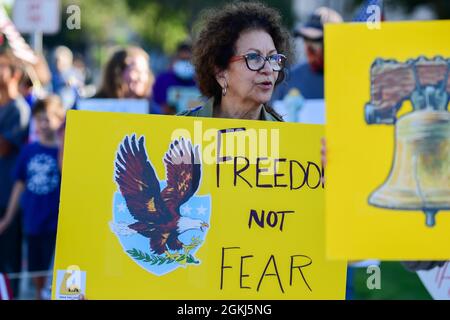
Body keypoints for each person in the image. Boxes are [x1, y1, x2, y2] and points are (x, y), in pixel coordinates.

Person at [179, 1, 291, 122]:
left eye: (273, 58)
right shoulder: (181, 129)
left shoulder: (285, 136)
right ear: (220, 72)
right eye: (254, 57)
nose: (268, 69)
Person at [0, 95, 65, 300]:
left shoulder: (63, 151)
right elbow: (19, 185)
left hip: (56, 224)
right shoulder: (28, 150)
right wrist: (8, 218)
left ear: (59, 119)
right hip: (32, 221)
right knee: (36, 275)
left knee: (53, 274)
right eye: (39, 119)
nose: (43, 124)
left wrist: (63, 148)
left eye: (47, 119)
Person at [0, 50, 29, 298]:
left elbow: (4, 147)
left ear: (15, 74)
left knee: (7, 263)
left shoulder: (18, 109)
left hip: (7, 198)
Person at [272, 7, 342, 103]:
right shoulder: (291, 78)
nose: (309, 47)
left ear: (335, 41)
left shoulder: (352, 78)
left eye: (316, 40)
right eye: (305, 38)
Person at [152, 41, 200, 115]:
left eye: (188, 60)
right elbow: (157, 108)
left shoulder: (200, 82)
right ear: (175, 59)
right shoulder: (162, 81)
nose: (185, 64)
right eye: (182, 60)